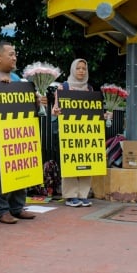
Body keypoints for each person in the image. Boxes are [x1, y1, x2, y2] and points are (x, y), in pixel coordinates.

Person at [0, 41, 43, 224]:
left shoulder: (18, 78)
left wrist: (35, 100)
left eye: (15, 54)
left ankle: (17, 207)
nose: (15, 57)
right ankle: (1, 210)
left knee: (20, 169)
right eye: (11, 54)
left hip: (17, 133)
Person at [51, 58, 107, 207]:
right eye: (78, 68)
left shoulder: (89, 89)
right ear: (73, 70)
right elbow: (55, 110)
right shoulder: (63, 87)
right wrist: (55, 111)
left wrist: (103, 115)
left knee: (86, 161)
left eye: (84, 68)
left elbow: (94, 111)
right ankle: (70, 196)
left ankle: (83, 195)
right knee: (70, 162)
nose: (81, 71)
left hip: (86, 132)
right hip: (69, 131)